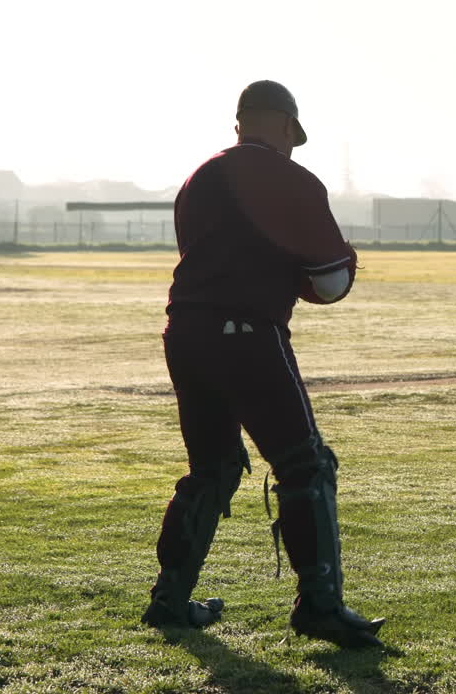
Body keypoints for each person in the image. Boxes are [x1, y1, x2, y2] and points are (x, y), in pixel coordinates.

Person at [140, 80, 385, 648]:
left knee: (215, 467)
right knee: (305, 464)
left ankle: (169, 599)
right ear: (280, 125)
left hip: (184, 331)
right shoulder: (288, 177)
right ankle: (319, 607)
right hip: (247, 332)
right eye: (293, 135)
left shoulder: (198, 178)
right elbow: (329, 278)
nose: (295, 147)